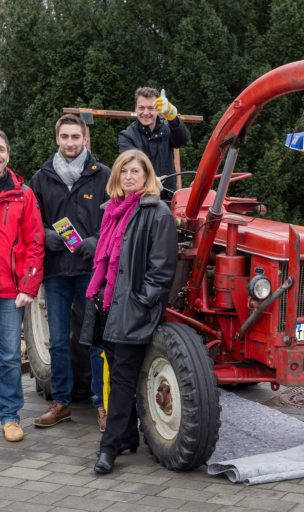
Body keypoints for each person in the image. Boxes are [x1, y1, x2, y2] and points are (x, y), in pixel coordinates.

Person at [80, 149, 177, 475]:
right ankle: (127, 437)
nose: (129, 176)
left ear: (147, 175)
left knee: (121, 379)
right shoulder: (111, 210)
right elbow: (106, 259)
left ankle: (109, 447)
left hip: (132, 308)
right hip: (108, 305)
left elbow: (162, 268)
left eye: (136, 171)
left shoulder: (157, 212)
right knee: (118, 373)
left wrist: (141, 301)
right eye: (124, 171)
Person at [30, 114, 110, 431]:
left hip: (90, 270)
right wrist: (44, 235)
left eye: (75, 137)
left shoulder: (102, 175)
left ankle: (102, 403)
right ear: (57, 138)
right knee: (59, 340)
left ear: (85, 139)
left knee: (95, 338)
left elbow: (115, 218)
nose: (70, 143)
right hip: (56, 271)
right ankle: (61, 402)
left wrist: (97, 240)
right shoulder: (42, 178)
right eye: (65, 137)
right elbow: (31, 219)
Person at [0, 130, 45, 442]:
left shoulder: (23, 194)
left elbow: (35, 242)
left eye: (1, 149)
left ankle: (9, 416)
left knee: (8, 357)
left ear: (8, 154)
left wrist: (28, 286)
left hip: (9, 291)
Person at [118, 86, 191, 191]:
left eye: (151, 108)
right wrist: (150, 181)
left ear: (158, 110)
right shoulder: (127, 136)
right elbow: (131, 166)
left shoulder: (167, 129)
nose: (146, 113)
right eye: (141, 108)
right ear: (135, 108)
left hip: (168, 194)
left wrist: (172, 116)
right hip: (140, 195)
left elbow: (182, 140)